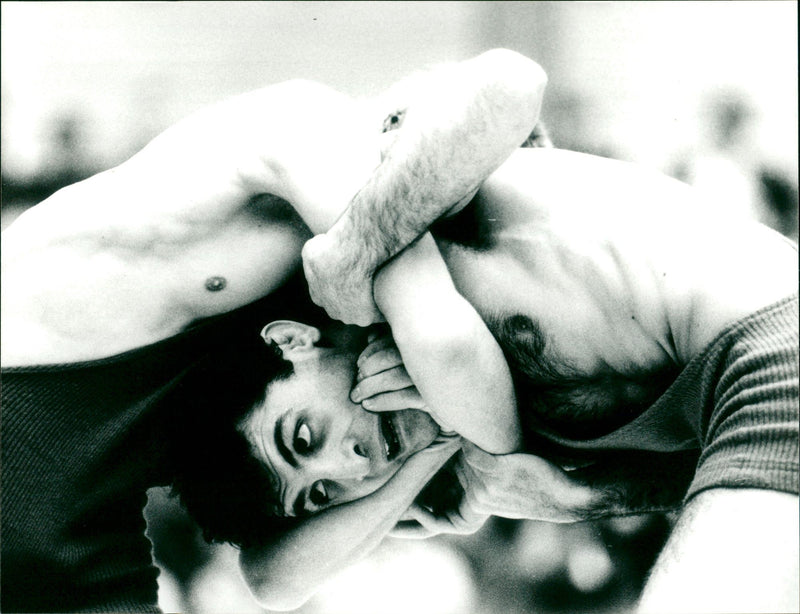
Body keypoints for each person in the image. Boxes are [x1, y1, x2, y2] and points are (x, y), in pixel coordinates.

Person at [0, 48, 546, 613]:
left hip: (65, 493)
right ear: (399, 123)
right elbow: (510, 87)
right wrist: (511, 468)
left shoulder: (284, 348)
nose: (353, 465)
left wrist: (435, 446)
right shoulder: (307, 126)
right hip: (23, 416)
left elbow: (273, 580)